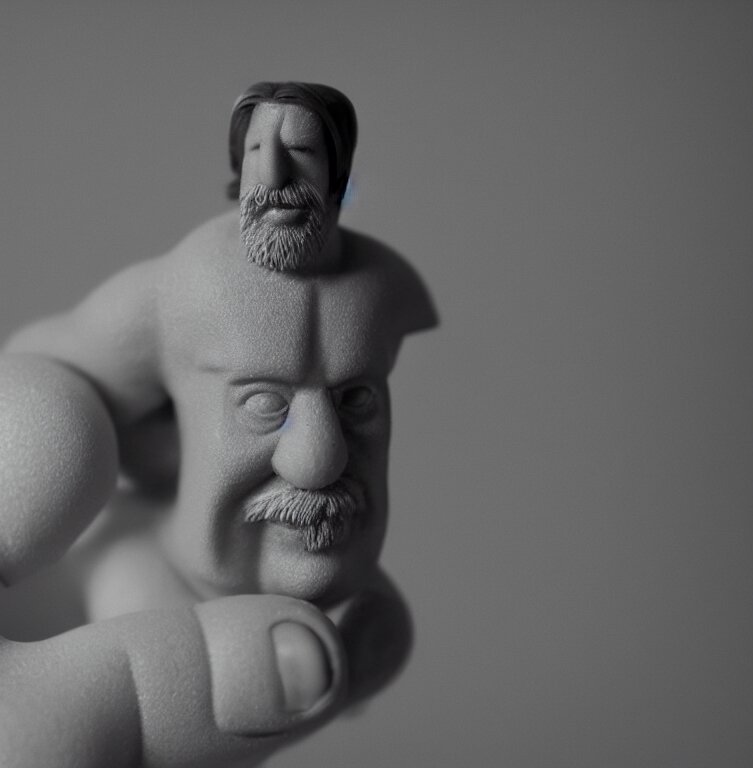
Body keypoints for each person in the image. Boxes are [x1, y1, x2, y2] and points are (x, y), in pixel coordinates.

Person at [0, 82, 436, 767]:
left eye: (299, 150)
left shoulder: (386, 289)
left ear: (338, 169)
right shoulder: (186, 284)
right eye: (259, 151)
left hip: (334, 603)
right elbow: (49, 358)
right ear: (237, 164)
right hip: (162, 583)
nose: (277, 175)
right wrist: (59, 444)